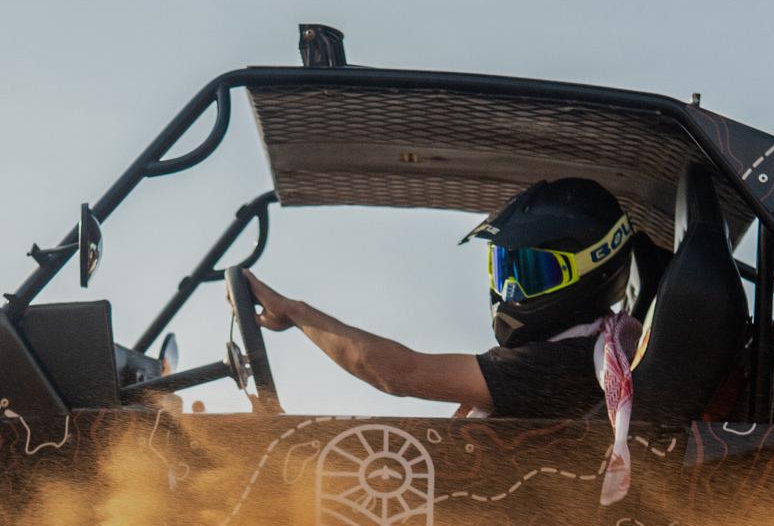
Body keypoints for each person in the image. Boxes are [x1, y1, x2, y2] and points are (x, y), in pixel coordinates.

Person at [242, 178, 659, 419]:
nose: (509, 292)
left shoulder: (563, 364)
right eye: (505, 271)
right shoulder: (601, 348)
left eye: (534, 274)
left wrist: (295, 312)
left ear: (595, 272)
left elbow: (396, 373)